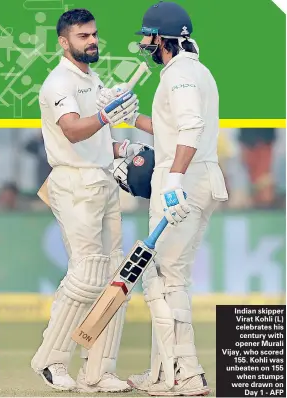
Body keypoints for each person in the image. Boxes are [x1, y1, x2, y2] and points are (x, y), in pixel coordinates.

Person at [98, 1, 228, 395]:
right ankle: (163, 373)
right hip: (193, 175)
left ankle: (187, 376)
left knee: (166, 279)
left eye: (148, 37)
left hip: (183, 180)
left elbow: (191, 126)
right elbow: (173, 128)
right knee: (168, 275)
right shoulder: (190, 71)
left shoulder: (180, 76)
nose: (146, 44)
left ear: (163, 38)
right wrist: (130, 117)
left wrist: (172, 180)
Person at [30, 8, 143, 392]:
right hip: (74, 183)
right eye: (83, 36)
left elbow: (95, 139)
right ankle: (51, 361)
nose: (92, 40)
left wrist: (124, 145)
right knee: (87, 274)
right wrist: (108, 112)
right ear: (64, 41)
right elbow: (74, 132)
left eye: (94, 34)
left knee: (116, 277)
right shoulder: (58, 82)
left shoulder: (92, 79)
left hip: (103, 179)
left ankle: (99, 370)